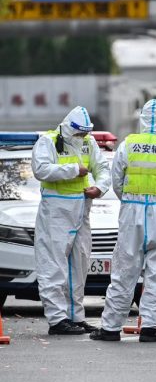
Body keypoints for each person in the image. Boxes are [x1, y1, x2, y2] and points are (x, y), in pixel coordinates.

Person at [90, 100, 156, 343]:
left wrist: (132, 200)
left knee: (124, 270)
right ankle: (150, 328)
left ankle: (111, 328)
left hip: (132, 212)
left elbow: (117, 182)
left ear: (141, 119)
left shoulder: (128, 145)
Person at [32, 106, 111, 335]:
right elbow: (41, 170)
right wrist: (73, 170)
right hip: (55, 212)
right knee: (53, 267)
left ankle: (76, 317)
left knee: (80, 266)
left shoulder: (89, 142)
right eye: (78, 133)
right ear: (67, 127)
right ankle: (57, 320)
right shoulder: (48, 142)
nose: (82, 137)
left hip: (81, 211)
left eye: (85, 133)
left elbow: (103, 168)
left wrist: (100, 187)